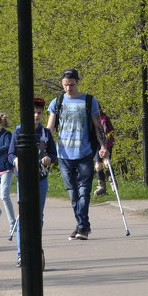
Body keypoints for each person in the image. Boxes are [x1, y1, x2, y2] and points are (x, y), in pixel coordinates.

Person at [46, 68, 108, 240]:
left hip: (85, 152)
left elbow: (98, 126)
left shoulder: (89, 100)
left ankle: (81, 227)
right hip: (63, 153)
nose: (68, 88)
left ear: (77, 82)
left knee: (84, 190)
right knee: (72, 192)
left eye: (71, 85)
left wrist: (103, 146)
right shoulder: (57, 102)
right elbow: (50, 127)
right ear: (62, 84)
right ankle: (83, 225)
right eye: (65, 85)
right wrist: (42, 146)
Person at [8, 98, 56, 265]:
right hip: (24, 180)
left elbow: (53, 154)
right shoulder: (18, 132)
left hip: (41, 178)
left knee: (38, 216)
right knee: (24, 215)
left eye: (39, 113)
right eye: (33, 113)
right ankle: (21, 253)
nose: (36, 116)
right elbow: (11, 154)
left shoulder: (46, 133)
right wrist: (16, 161)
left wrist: (48, 158)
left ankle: (36, 248)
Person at [93, 110, 116, 197]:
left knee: (106, 163)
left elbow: (111, 131)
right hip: (97, 145)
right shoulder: (92, 119)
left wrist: (106, 139)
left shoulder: (105, 118)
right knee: (98, 165)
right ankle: (101, 186)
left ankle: (112, 181)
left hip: (107, 143)